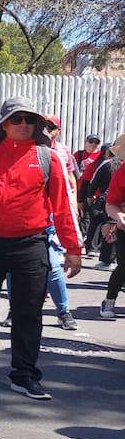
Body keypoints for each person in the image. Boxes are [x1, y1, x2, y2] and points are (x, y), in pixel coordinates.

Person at [0, 98, 80, 401]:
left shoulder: (47, 158)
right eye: (17, 119)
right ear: (4, 124)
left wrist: (73, 248)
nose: (24, 124)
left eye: (29, 119)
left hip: (30, 243)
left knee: (29, 311)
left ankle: (24, 375)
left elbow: (63, 206)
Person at [0, 115, 82, 331]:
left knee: (53, 267)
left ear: (58, 130)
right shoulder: (24, 148)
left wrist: (73, 206)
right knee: (12, 269)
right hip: (23, 222)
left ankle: (63, 311)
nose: (47, 130)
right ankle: (14, 309)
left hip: (51, 219)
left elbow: (70, 180)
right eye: (44, 125)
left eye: (51, 127)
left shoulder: (60, 152)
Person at [96, 135, 125, 318]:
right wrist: (118, 217)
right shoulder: (121, 174)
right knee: (124, 266)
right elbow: (111, 204)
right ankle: (109, 300)